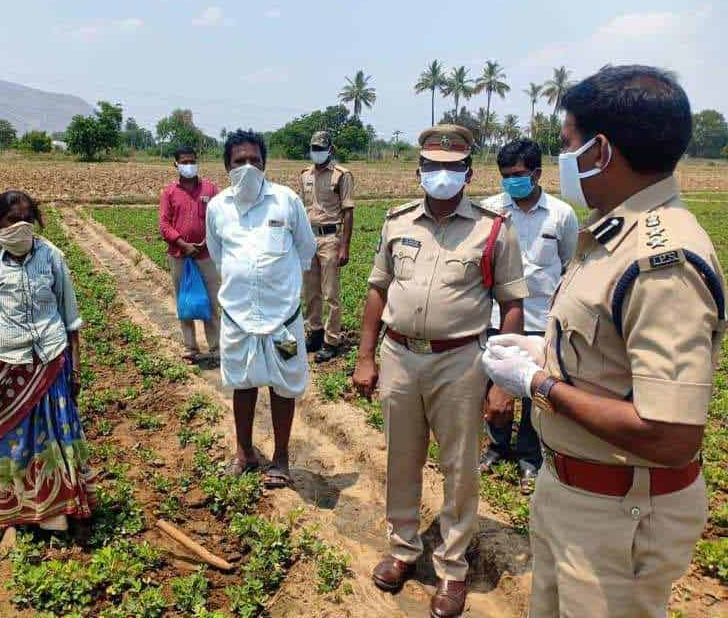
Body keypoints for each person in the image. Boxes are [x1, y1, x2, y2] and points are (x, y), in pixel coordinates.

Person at [483, 65, 725, 618]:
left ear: (601, 152)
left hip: (619, 516)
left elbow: (669, 438)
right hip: (574, 494)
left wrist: (538, 385)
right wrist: (541, 355)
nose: (564, 159)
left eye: (568, 144)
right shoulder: (611, 235)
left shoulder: (661, 262)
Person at [352, 125, 527, 617]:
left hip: (461, 360)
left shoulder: (494, 229)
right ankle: (403, 547)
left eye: (452, 168)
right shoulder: (397, 222)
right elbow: (377, 290)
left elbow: (512, 305)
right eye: (433, 167)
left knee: (459, 465)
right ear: (419, 171)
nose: (442, 175)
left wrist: (504, 381)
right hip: (401, 355)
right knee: (401, 458)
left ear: (468, 172)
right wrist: (366, 356)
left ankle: (452, 567)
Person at [0, 190, 96, 539]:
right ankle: (17, 518)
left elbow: (71, 319)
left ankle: (63, 512)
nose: (20, 225)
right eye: (12, 219)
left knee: (60, 438)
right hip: (9, 365)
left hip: (52, 359)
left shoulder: (52, 257)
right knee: (14, 442)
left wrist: (76, 370)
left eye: (27, 217)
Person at [206, 129, 317, 489]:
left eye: (255, 160)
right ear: (227, 166)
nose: (248, 167)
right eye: (240, 161)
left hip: (283, 319)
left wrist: (278, 289)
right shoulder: (217, 208)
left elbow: (305, 250)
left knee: (284, 386)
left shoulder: (286, 201)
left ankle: (281, 458)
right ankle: (244, 453)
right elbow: (219, 255)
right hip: (238, 317)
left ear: (265, 164)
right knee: (243, 382)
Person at [479, 139, 578, 493]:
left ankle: (529, 457)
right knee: (498, 384)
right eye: (505, 176)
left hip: (542, 317)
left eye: (517, 175)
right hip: (498, 313)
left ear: (537, 174)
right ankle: (496, 446)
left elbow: (569, 265)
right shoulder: (491, 209)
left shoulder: (561, 215)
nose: (510, 182)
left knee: (535, 393)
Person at [158, 145, 222, 366]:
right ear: (175, 164)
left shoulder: (211, 190)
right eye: (184, 162)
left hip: (206, 255)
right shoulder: (169, 192)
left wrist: (206, 241)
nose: (189, 165)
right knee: (184, 301)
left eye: (192, 161)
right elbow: (164, 224)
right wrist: (183, 244)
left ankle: (216, 348)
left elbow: (220, 219)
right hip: (179, 256)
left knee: (213, 302)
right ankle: (190, 349)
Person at [301, 131, 355, 362]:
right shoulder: (305, 174)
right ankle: (314, 332)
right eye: (314, 147)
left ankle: (331, 340)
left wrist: (345, 246)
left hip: (331, 239)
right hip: (308, 238)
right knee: (311, 291)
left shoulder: (342, 175)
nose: (317, 151)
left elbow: (348, 211)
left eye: (321, 148)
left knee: (330, 293)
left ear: (330, 149)